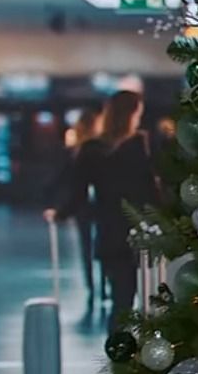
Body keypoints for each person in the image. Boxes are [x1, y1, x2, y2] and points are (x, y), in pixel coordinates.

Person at [48, 91, 158, 327]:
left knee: (120, 302)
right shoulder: (143, 146)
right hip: (145, 232)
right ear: (133, 114)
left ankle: (118, 347)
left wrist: (59, 213)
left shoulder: (91, 150)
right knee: (151, 299)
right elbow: (154, 191)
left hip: (111, 233)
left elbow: (78, 192)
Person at [46, 106, 105, 308]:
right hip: (99, 204)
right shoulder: (100, 149)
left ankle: (92, 285)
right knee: (102, 243)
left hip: (83, 206)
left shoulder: (76, 151)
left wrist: (59, 208)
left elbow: (65, 179)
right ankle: (101, 285)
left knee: (86, 245)